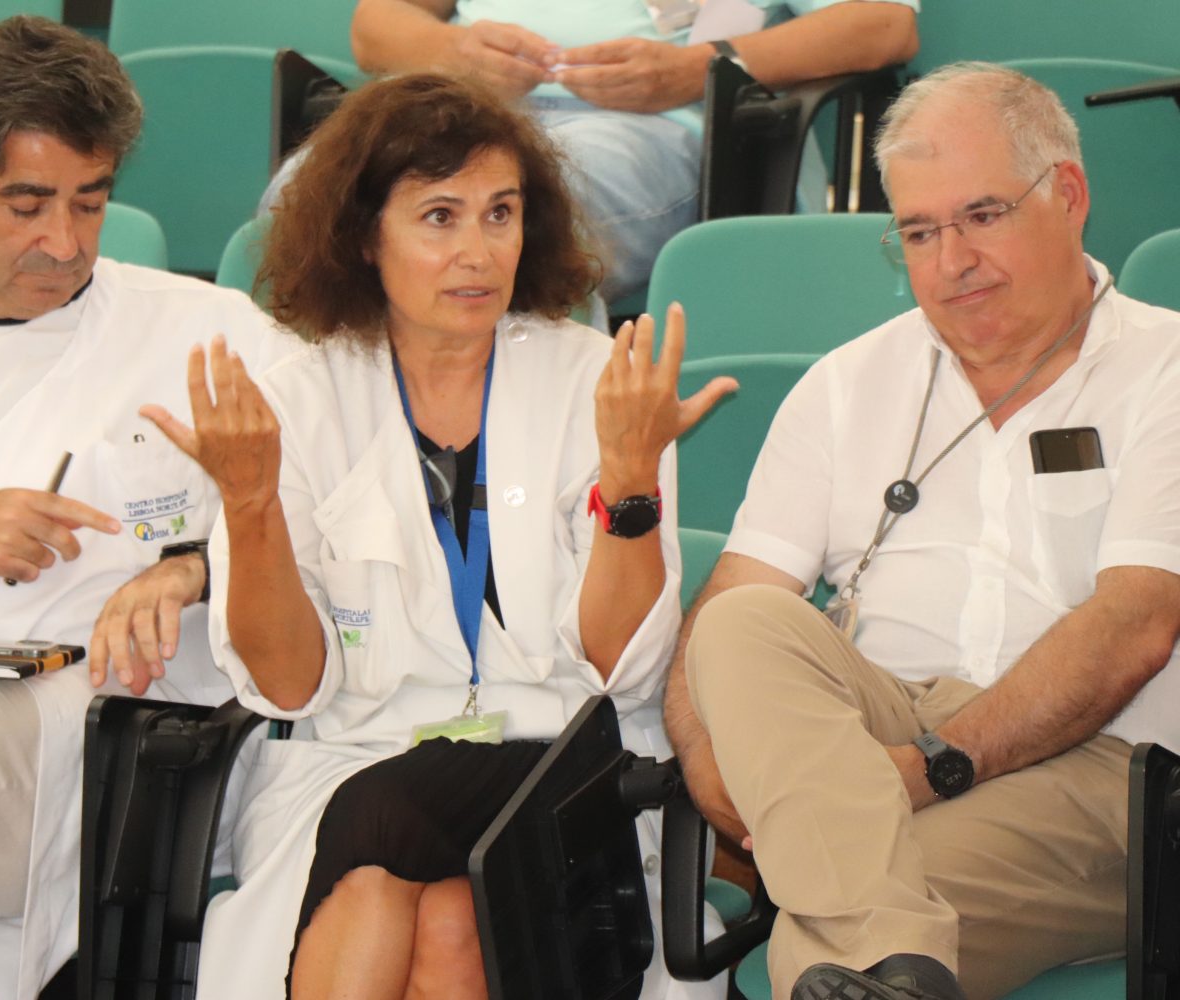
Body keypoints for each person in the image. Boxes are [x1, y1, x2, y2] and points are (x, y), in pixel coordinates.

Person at [141, 73, 733, 998]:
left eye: (501, 213)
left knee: (390, 835)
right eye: (440, 217)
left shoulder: (599, 383)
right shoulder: (297, 401)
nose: (477, 252)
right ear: (364, 235)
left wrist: (628, 484)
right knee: (447, 922)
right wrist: (250, 509)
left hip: (562, 761)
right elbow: (289, 685)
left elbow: (622, 667)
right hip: (353, 757)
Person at [664, 60, 1180, 1000]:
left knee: (830, 931)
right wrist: (712, 769)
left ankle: (863, 926)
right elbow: (729, 613)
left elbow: (1135, 628)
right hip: (879, 733)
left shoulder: (1166, 367)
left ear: (1068, 196)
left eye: (983, 215)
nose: (952, 261)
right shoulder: (847, 383)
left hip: (1102, 765)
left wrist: (924, 770)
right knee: (741, 623)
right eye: (919, 231)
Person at [0, 17, 276, 1000]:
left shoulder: (210, 335)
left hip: (95, 754)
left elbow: (329, 522)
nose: (62, 243)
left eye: (90, 202)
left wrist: (191, 566)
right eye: (25, 204)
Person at [261, 0, 918, 308]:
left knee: (524, 212)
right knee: (300, 196)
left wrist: (696, 67)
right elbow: (375, 23)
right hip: (463, 109)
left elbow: (884, 23)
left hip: (641, 124)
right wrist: (454, 53)